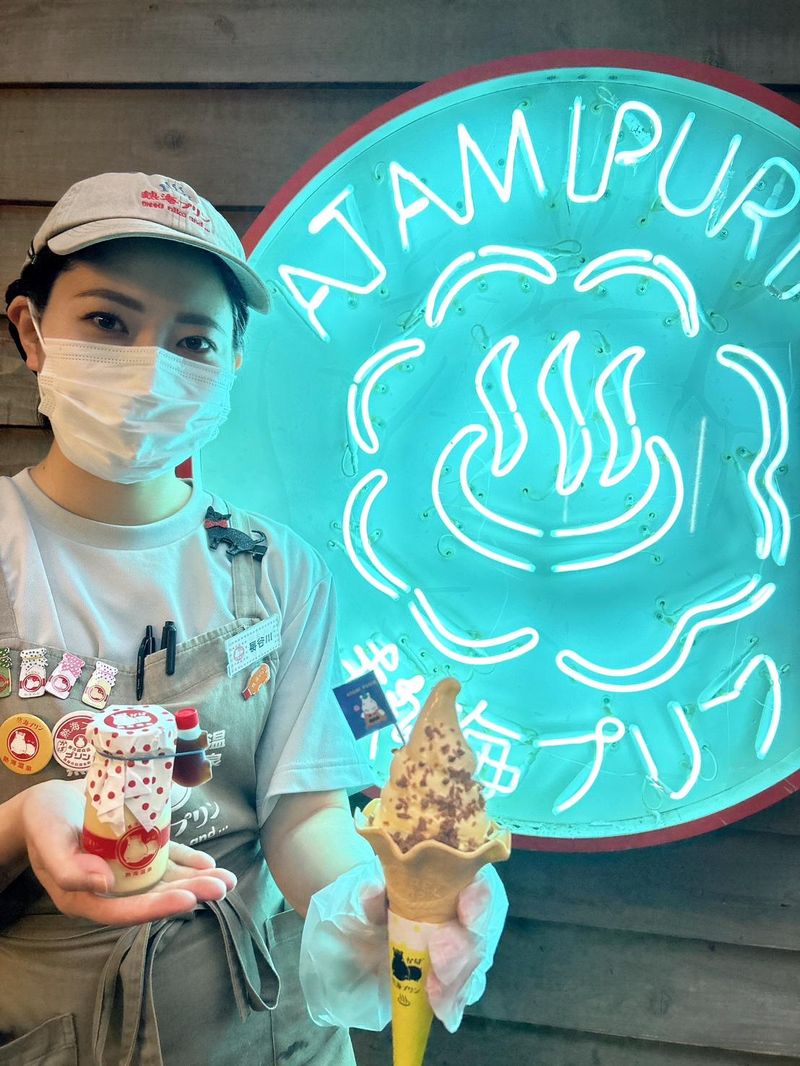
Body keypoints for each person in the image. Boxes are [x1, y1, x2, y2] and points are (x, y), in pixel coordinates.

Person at [0, 172, 507, 1065]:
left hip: (271, 1035)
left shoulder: (280, 570)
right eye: (108, 322)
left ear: (232, 363)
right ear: (32, 331)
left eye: (192, 340)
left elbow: (302, 818)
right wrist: (21, 825)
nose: (151, 369)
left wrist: (373, 900)